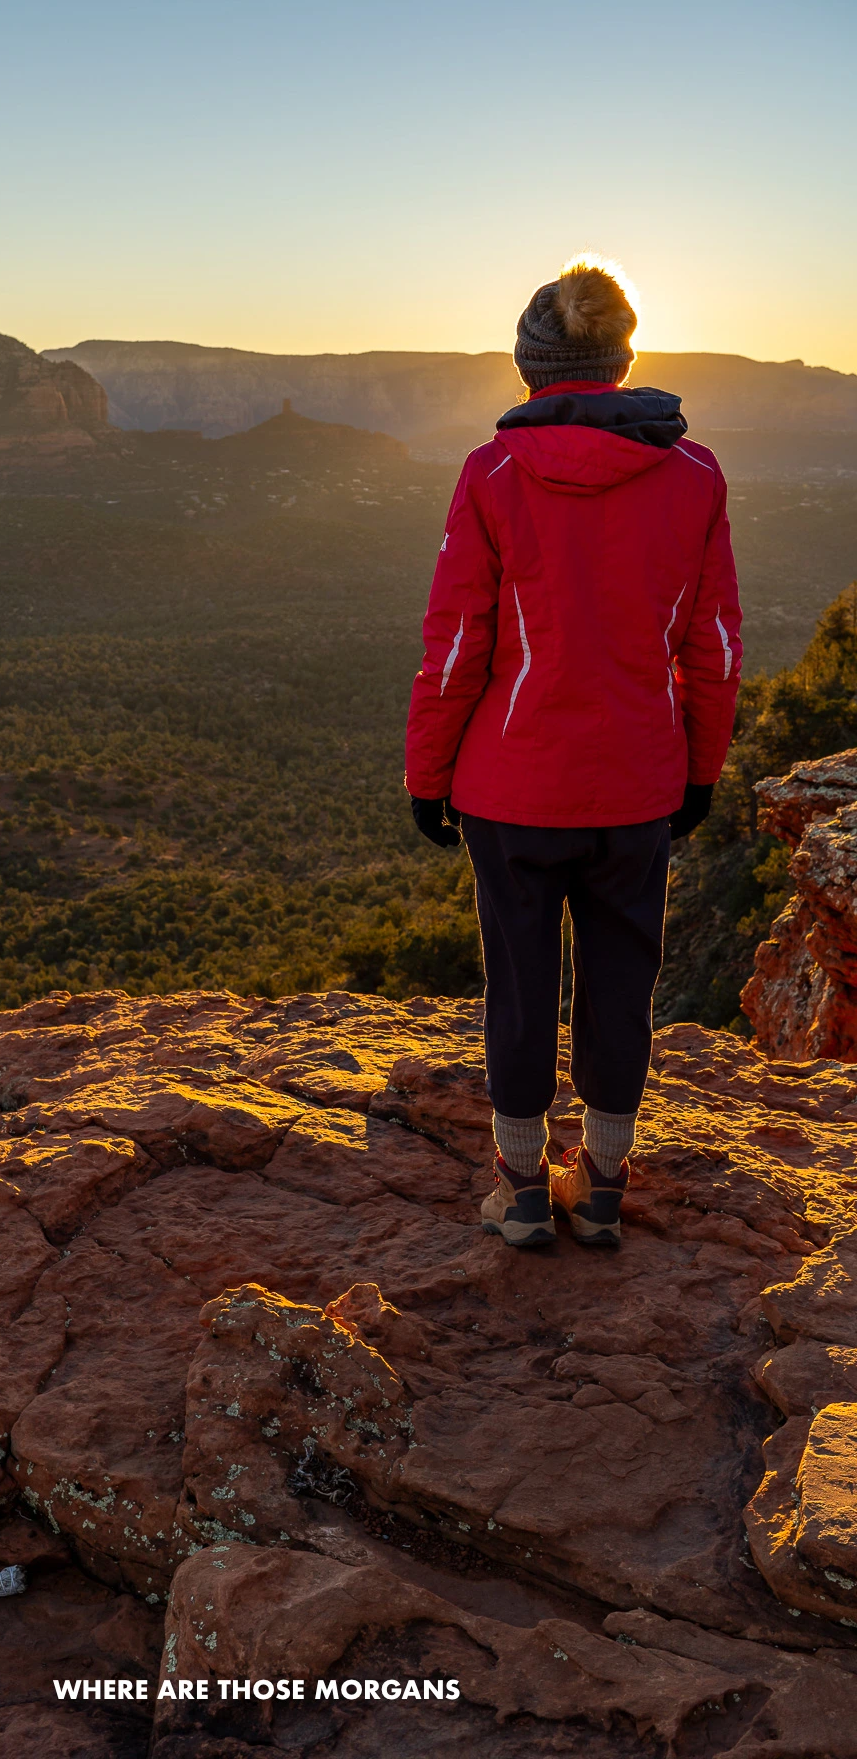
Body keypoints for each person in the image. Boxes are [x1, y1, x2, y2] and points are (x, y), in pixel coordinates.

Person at [404, 260, 741, 1250]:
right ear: (622, 356)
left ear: (530, 368)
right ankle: (599, 1187)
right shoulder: (696, 475)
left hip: (511, 789)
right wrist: (702, 770)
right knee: (620, 982)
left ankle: (517, 1190)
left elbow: (457, 645)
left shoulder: (493, 474)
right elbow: (712, 649)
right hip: (637, 782)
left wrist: (429, 776)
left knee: (519, 983)